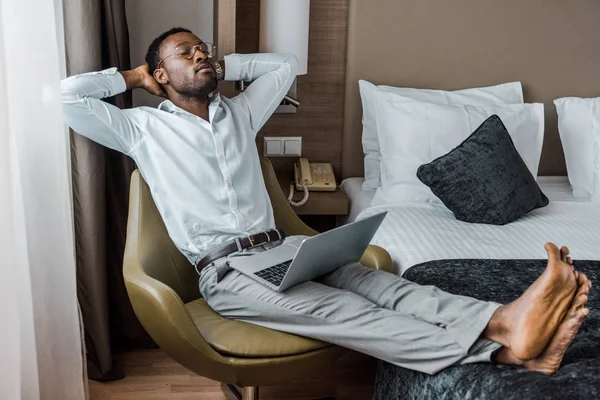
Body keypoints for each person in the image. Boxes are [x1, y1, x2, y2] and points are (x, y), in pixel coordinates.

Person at [60, 27, 591, 376]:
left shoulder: (239, 114)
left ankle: (503, 318)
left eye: (204, 49)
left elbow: (285, 65)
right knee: (348, 310)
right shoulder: (140, 129)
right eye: (186, 53)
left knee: (381, 283)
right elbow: (63, 98)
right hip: (228, 271)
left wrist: (224, 61)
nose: (202, 55)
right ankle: (503, 353)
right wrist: (133, 78)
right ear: (159, 75)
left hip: (289, 248)